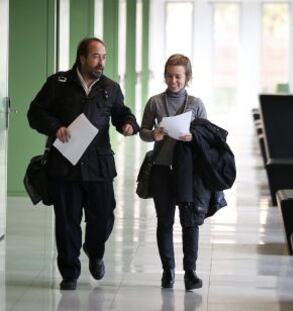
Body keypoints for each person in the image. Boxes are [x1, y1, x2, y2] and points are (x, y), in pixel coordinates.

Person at [27, 37, 140, 290]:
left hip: (99, 166)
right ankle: (70, 273)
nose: (101, 62)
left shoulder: (110, 87)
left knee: (103, 218)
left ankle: (94, 250)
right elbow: (35, 113)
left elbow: (121, 111)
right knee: (67, 221)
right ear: (82, 58)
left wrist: (127, 123)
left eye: (104, 56)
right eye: (96, 56)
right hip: (65, 165)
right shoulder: (58, 83)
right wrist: (56, 127)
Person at [139, 54, 208, 291]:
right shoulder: (155, 102)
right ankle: (168, 271)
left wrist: (194, 137)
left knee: (190, 223)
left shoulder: (196, 104)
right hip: (162, 169)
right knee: (164, 222)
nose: (173, 80)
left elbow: (206, 136)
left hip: (188, 173)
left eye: (178, 76)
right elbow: (143, 130)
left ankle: (190, 272)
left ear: (187, 77)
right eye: (169, 75)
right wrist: (153, 135)